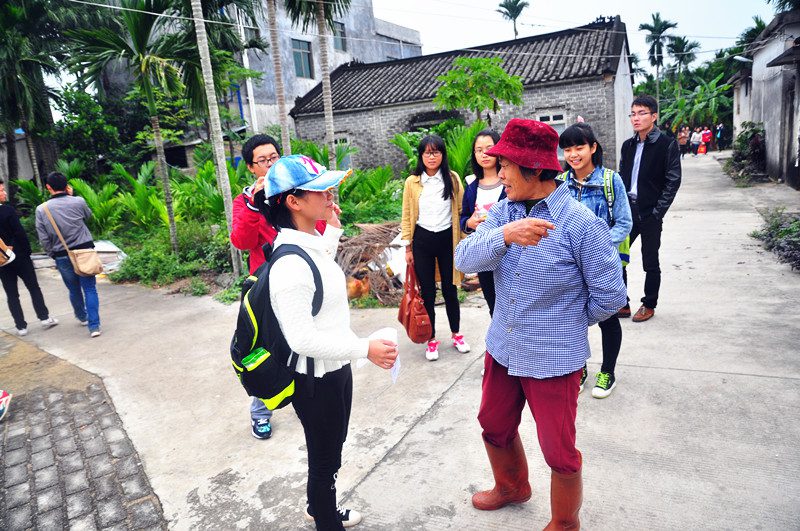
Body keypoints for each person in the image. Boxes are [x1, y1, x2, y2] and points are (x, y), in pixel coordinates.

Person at [455, 118, 626, 528]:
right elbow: (464, 259)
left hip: (553, 357)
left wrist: (565, 322)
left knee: (557, 449)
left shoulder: (582, 223)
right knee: (493, 423)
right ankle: (512, 486)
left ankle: (565, 522)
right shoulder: (505, 211)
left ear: (533, 170)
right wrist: (504, 235)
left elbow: (610, 296)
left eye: (505, 166)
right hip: (504, 346)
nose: (499, 174)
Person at [255, 154, 398, 530]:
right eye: (319, 189)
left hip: (334, 368)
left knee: (331, 448)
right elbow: (302, 339)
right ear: (294, 201)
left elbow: (320, 272)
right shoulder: (290, 265)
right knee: (325, 459)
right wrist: (365, 349)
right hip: (315, 379)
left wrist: (332, 229)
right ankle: (325, 519)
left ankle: (319, 507)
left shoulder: (307, 245)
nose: (330, 193)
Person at [230, 134, 326, 441]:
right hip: (267, 286)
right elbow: (242, 241)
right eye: (263, 160)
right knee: (268, 349)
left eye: (274, 157)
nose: (270, 164)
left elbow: (317, 230)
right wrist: (255, 205)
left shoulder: (293, 193)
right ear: (250, 167)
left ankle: (308, 398)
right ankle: (261, 411)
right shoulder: (245, 201)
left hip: (302, 278)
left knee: (306, 340)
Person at [558, 123, 632, 398]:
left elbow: (624, 223)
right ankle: (579, 368)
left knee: (608, 318)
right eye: (567, 149)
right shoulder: (560, 183)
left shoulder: (611, 181)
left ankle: (607, 372)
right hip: (570, 267)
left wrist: (595, 246)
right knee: (573, 320)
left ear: (593, 148)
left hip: (604, 265)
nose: (573, 154)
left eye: (579, 147)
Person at [401, 135, 469, 361]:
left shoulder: (452, 178)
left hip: (447, 239)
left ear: (442, 155)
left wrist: (464, 240)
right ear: (421, 155)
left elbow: (461, 210)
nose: (432, 157)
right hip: (422, 240)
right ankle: (431, 339)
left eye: (436, 152)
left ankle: (456, 334)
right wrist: (408, 247)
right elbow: (407, 214)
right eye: (427, 153)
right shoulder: (412, 182)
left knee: (451, 289)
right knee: (427, 292)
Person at [618, 95, 682, 322]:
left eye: (642, 113)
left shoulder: (666, 144)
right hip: (627, 212)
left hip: (650, 212)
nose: (636, 118)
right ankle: (622, 302)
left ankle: (649, 304)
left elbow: (673, 180)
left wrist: (657, 212)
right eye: (633, 114)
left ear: (654, 116)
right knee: (617, 256)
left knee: (650, 261)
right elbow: (622, 177)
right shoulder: (627, 146)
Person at [35, 172, 101, 337]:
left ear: (48, 187)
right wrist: (71, 197)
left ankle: (82, 316)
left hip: (61, 254)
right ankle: (94, 326)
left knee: (73, 289)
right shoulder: (78, 201)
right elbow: (88, 216)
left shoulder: (42, 209)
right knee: (90, 289)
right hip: (84, 251)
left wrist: (52, 254)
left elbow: (43, 237)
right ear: (67, 186)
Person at [0, 181, 58, 336]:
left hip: (2, 261)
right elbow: (19, 232)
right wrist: (26, 251)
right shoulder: (7, 210)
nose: (4, 193)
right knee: (33, 287)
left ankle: (20, 326)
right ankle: (44, 318)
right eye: (1, 190)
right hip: (20, 256)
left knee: (12, 294)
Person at [460, 129, 505, 316]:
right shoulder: (472, 187)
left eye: (489, 148)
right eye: (479, 150)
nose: (484, 154)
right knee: (493, 306)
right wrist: (469, 223)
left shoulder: (509, 180)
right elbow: (464, 218)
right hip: (484, 253)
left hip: (509, 252)